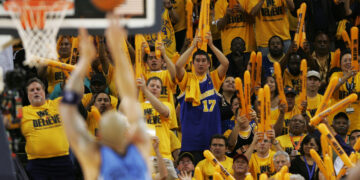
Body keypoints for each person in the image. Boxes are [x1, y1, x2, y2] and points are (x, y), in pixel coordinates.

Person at [59, 24, 151, 180]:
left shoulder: (95, 155)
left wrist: (82, 66)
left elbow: (67, 111)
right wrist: (116, 49)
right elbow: (129, 94)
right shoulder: (140, 145)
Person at [5, 77, 75, 179]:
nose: (35, 92)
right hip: (37, 165)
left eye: (38, 89)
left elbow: (79, 93)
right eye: (32, 90)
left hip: (62, 161)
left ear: (44, 91)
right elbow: (5, 122)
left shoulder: (57, 103)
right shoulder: (22, 111)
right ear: (28, 95)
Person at [175, 32, 229, 164]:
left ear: (209, 64)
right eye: (197, 61)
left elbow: (225, 63)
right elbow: (178, 66)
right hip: (190, 140)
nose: (200, 63)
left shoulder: (214, 79)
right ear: (192, 64)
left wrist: (211, 45)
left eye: (204, 61)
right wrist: (193, 46)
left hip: (211, 141)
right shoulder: (187, 79)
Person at [137, 76, 178, 179]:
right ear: (147, 87)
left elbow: (164, 112)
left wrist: (145, 91)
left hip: (164, 158)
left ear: (161, 91)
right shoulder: (138, 107)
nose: (155, 88)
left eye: (158, 87)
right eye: (152, 86)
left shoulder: (167, 105)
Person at [142, 42, 178, 130]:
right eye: (150, 58)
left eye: (157, 57)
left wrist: (164, 55)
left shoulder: (166, 74)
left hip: (166, 120)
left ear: (162, 61)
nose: (153, 60)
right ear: (146, 61)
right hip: (148, 120)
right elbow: (135, 71)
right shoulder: (143, 75)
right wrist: (141, 54)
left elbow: (175, 74)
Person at [330, 50, 360, 133]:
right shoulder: (336, 75)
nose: (348, 62)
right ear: (340, 64)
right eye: (345, 60)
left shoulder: (359, 76)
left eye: (350, 60)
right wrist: (347, 76)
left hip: (357, 123)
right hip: (338, 123)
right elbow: (330, 90)